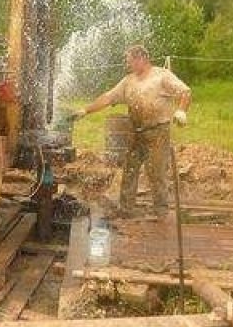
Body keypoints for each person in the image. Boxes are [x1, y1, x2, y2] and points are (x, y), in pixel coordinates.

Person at [74, 45, 191, 218]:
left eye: (130, 61)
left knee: (156, 173)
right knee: (129, 170)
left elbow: (185, 92)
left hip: (157, 132)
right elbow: (108, 97)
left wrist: (181, 111)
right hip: (136, 132)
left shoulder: (161, 76)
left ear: (141, 58)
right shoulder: (129, 81)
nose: (128, 65)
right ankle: (126, 209)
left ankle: (161, 212)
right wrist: (86, 110)